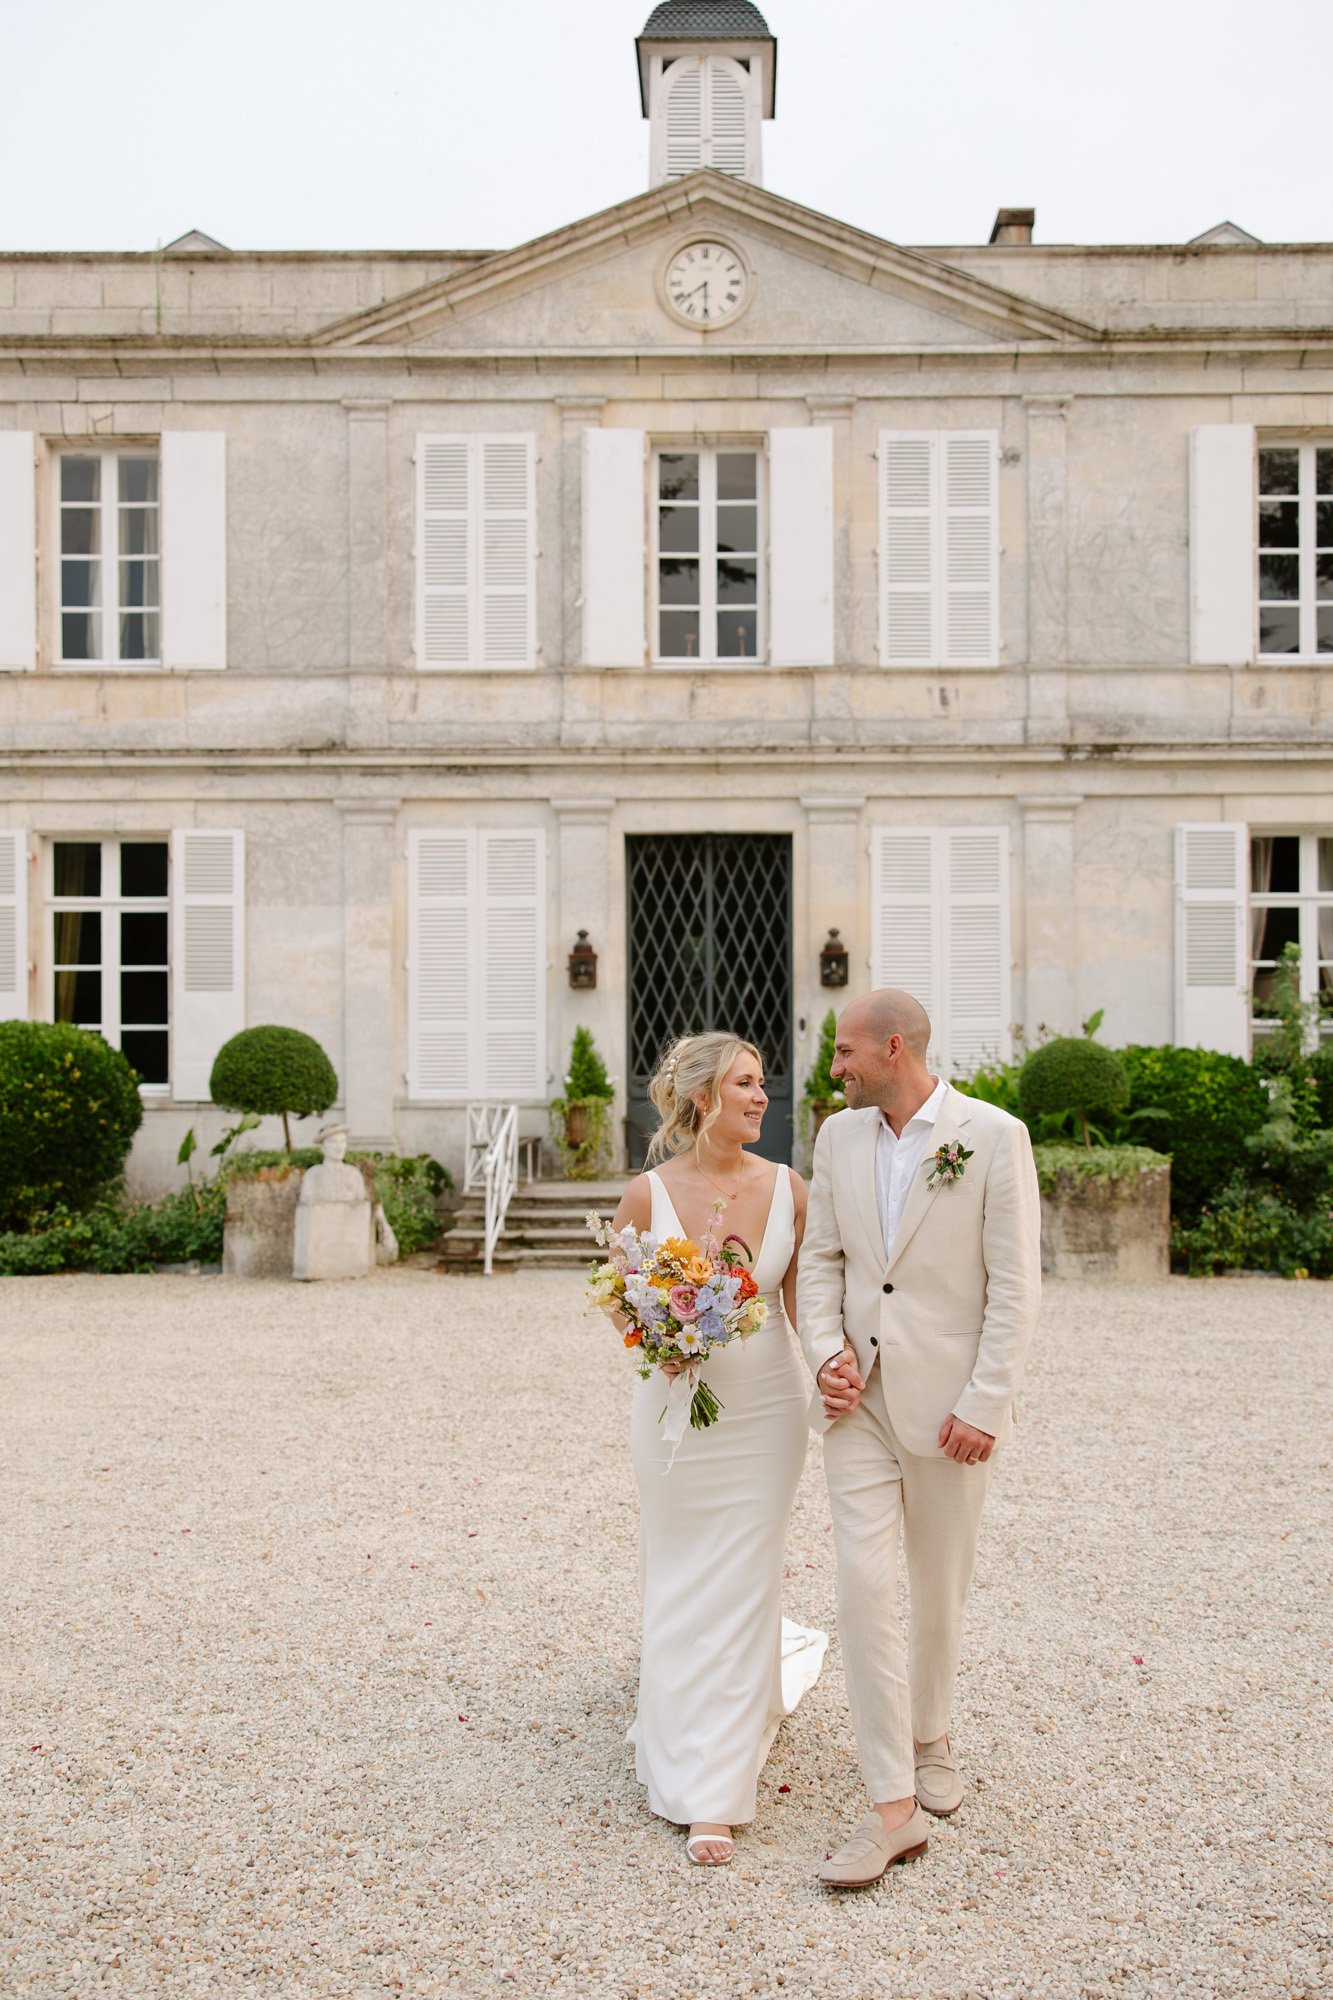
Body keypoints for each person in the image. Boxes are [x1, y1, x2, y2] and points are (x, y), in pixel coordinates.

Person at [797, 989, 1041, 1889]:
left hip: (948, 1412)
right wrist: (822, 1351)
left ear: (891, 1048)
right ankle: (889, 1796)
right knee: (862, 1588)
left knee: (937, 1591)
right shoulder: (836, 1138)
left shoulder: (993, 1135)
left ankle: (930, 1732)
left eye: (845, 1053)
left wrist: (985, 1403)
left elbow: (1015, 1287)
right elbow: (821, 1260)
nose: (834, 1069)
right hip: (856, 1404)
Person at [609, 1032, 827, 1868]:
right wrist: (657, 1338)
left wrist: (839, 1376)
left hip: (766, 1407)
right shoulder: (646, 1193)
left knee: (746, 1572)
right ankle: (678, 1720)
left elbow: (806, 1306)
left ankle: (714, 1791)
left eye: (763, 1083)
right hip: (672, 1410)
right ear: (702, 1096)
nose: (760, 1096)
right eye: (744, 1083)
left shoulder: (789, 1190)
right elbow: (614, 1297)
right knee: (679, 1566)